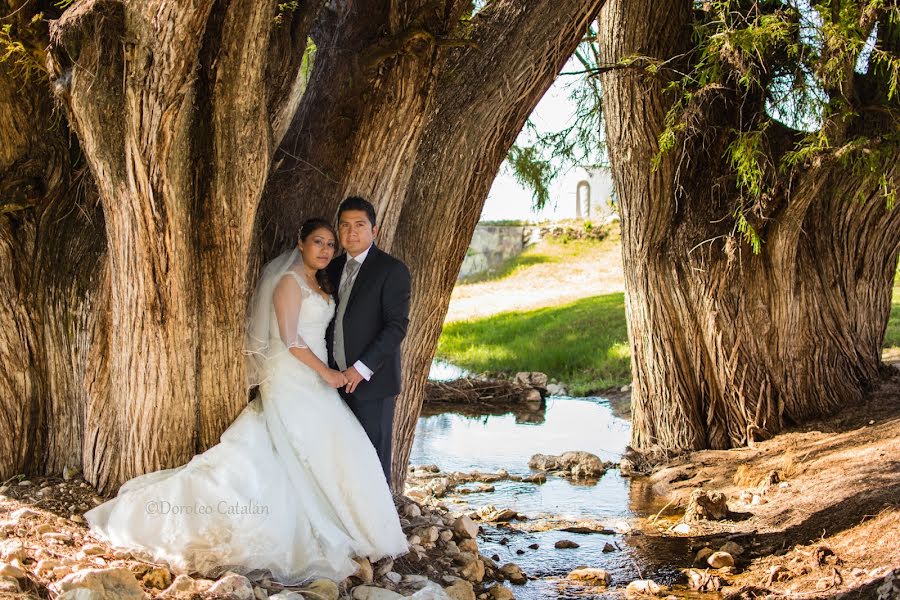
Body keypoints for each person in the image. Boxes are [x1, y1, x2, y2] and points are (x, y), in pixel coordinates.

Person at [84, 218, 408, 584]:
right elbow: (290, 340)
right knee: (304, 445)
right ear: (300, 243)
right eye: (318, 242)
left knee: (338, 446)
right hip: (292, 377)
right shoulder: (288, 282)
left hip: (315, 379)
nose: (326, 250)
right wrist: (329, 374)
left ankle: (359, 525)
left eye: (331, 245)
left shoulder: (321, 282)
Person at [326, 197, 412, 484]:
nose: (352, 232)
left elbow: (396, 327)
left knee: (373, 461)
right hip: (332, 381)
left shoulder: (391, 270)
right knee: (339, 459)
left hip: (372, 383)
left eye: (360, 225)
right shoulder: (331, 268)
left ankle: (379, 526)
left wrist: (360, 369)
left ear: (374, 230)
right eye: (345, 226)